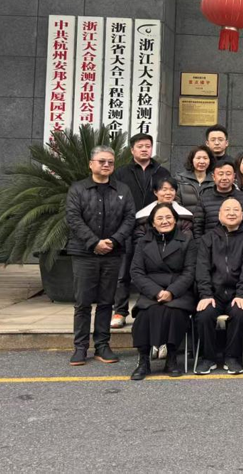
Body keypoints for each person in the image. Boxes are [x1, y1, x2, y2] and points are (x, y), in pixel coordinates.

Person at [65, 145, 136, 366]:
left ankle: (102, 345)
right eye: (102, 161)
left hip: (113, 253)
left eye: (110, 162)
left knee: (107, 301)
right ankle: (80, 347)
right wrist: (94, 242)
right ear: (91, 164)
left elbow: (130, 218)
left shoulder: (122, 189)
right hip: (84, 253)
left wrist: (113, 241)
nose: (106, 165)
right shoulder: (78, 189)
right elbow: (73, 218)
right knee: (83, 302)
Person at [129, 203, 197, 380]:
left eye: (168, 217)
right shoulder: (143, 242)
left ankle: (171, 359)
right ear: (153, 222)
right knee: (145, 315)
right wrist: (157, 292)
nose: (164, 221)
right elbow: (136, 271)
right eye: (159, 218)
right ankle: (143, 361)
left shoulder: (187, 241)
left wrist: (171, 292)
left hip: (179, 291)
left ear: (175, 220)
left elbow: (190, 271)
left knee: (174, 313)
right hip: (151, 290)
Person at [111, 132, 171, 329]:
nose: (144, 149)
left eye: (148, 146)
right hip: (127, 228)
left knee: (153, 271)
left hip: (155, 228)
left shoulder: (162, 172)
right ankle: (120, 311)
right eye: (140, 146)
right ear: (132, 150)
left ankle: (148, 308)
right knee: (123, 272)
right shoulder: (121, 173)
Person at [194, 198, 243, 375]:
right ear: (219, 214)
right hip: (214, 293)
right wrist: (206, 294)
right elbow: (202, 269)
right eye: (227, 210)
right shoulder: (208, 238)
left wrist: (242, 293)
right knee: (204, 315)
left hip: (238, 292)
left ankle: (232, 357)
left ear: (242, 215)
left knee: (239, 313)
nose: (231, 213)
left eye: (236, 210)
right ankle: (208, 358)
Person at [193, 160, 243, 238]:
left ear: (234, 176)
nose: (224, 178)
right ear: (213, 177)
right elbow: (197, 227)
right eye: (220, 174)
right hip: (210, 242)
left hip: (239, 243)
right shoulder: (204, 198)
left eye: (228, 174)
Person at [175, 145, 215, 218]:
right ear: (192, 160)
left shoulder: (215, 180)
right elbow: (176, 204)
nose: (202, 161)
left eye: (205, 158)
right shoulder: (180, 179)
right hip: (186, 221)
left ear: (210, 160)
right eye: (198, 158)